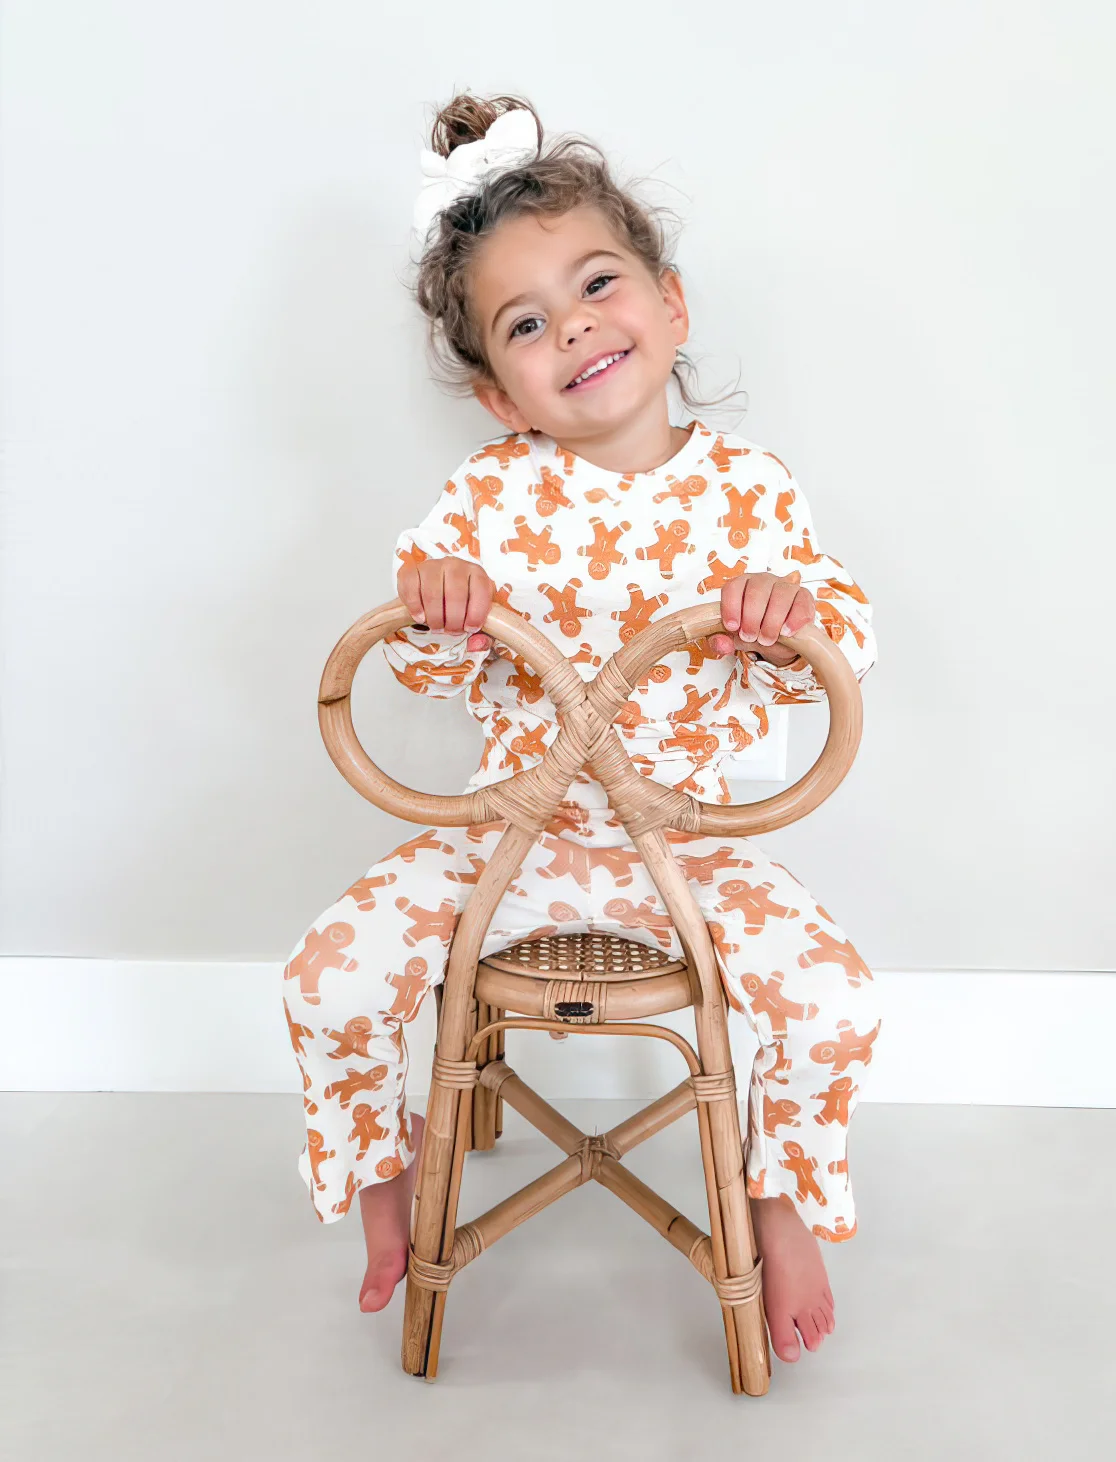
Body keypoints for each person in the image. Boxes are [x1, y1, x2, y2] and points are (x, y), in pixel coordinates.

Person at [282, 93, 882, 1365]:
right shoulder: (490, 495)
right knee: (327, 973)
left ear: (669, 304)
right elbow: (430, 672)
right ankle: (382, 1179)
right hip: (511, 843)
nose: (575, 328)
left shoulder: (748, 489)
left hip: (688, 852)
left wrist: (782, 618)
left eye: (597, 284)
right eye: (526, 324)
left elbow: (834, 650)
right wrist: (440, 613)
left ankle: (780, 1201)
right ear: (501, 394)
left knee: (833, 995)